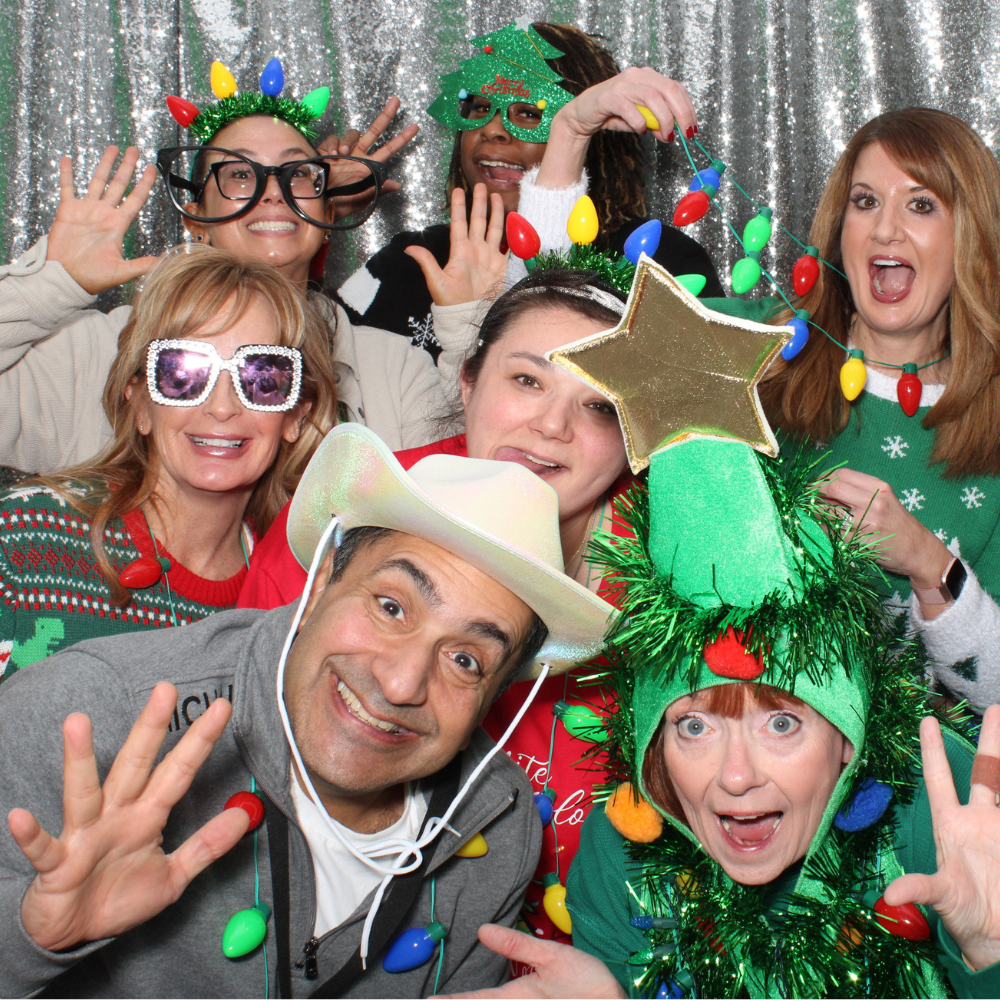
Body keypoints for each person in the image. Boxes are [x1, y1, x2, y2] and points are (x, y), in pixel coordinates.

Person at [0, 421, 613, 998]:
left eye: (466, 660)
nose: (401, 684)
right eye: (392, 608)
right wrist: (31, 942)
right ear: (320, 580)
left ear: (498, 689)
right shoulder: (92, 713)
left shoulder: (497, 829)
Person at [450, 434, 1000, 999]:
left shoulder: (931, 818)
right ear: (653, 742)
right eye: (694, 726)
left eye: (781, 724)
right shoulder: (620, 857)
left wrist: (986, 951)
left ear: (848, 735)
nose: (736, 776)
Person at [527, 106, 1000, 712]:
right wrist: (569, 132)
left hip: (917, 791)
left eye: (921, 204)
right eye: (865, 201)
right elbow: (553, 321)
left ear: (973, 233)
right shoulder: (758, 347)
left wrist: (931, 565)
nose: (885, 231)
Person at [239, 265, 637, 943]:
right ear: (468, 382)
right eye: (527, 380)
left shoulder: (680, 587)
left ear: (633, 439)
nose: (551, 425)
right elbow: (242, 732)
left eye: (597, 405)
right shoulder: (359, 519)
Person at [0, 61, 494, 474]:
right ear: (195, 216)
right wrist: (51, 282)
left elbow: (472, 480)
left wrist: (470, 322)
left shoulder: (391, 368)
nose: (272, 191)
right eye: (240, 174)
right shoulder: (92, 352)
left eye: (297, 173)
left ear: (327, 216)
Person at [0, 246, 336, 678]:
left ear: (296, 415)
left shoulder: (305, 592)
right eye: (182, 373)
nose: (221, 407)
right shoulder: (23, 540)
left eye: (262, 378)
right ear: (139, 403)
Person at [337, 20, 723, 356]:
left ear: (602, 129)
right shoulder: (412, 260)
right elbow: (305, 374)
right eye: (479, 108)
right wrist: (310, 209)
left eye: (530, 113)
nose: (491, 130)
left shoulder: (660, 261)